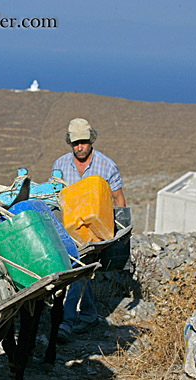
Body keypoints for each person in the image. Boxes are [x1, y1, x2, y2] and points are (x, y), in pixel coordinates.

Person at [51, 118, 126, 343]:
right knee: (82, 269)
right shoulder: (60, 166)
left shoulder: (106, 165)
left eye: (84, 142)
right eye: (75, 143)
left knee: (78, 266)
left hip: (96, 231)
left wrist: (121, 233)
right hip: (70, 227)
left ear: (91, 140)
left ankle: (67, 320)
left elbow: (117, 197)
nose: (80, 147)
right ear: (70, 143)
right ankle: (90, 314)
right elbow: (54, 196)